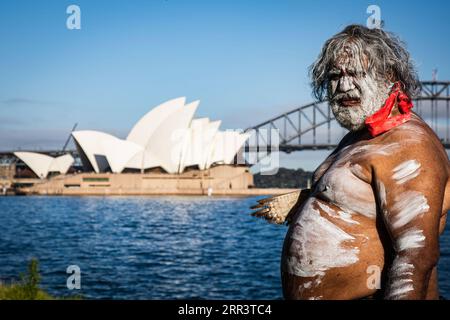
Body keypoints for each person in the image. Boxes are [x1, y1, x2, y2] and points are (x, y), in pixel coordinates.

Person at [252, 25, 450, 300]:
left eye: (356, 74)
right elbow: (362, 199)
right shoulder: (358, 137)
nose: (343, 87)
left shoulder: (409, 146)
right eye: (334, 76)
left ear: (388, 77)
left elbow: (416, 257)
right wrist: (307, 199)